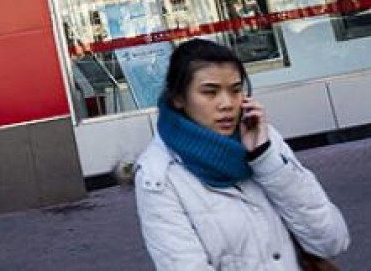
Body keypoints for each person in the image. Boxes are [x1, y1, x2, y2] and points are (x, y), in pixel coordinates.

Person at [135, 38, 349, 270]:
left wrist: (266, 160)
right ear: (178, 98)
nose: (227, 103)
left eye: (235, 90)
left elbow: (331, 242)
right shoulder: (158, 175)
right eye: (210, 92)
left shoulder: (264, 139)